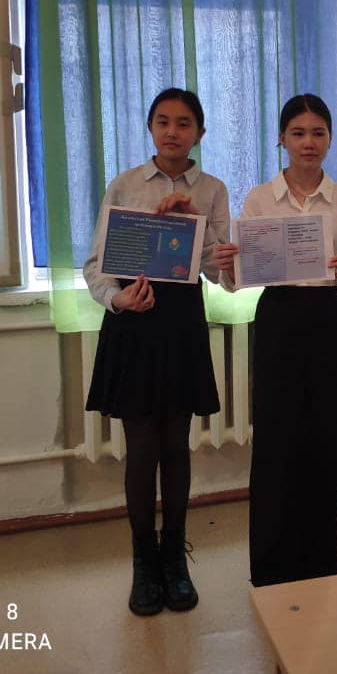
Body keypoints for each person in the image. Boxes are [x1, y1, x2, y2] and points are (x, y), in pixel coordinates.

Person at [214, 94, 337, 586]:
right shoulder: (260, 198)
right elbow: (238, 277)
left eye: (318, 133)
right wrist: (228, 266)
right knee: (276, 438)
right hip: (279, 318)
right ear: (281, 138)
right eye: (299, 133)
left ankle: (320, 561)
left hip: (327, 317)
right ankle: (271, 565)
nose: (309, 142)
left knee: (324, 437)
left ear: (330, 138)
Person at [83, 87, 229, 616]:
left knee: (177, 445)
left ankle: (175, 560)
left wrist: (196, 222)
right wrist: (117, 299)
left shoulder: (212, 189)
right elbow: (96, 265)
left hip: (181, 325)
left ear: (200, 133)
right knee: (142, 449)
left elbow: (221, 270)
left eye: (184, 123)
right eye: (163, 121)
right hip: (134, 324)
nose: (172, 131)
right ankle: (143, 563)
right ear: (150, 128)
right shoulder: (125, 184)